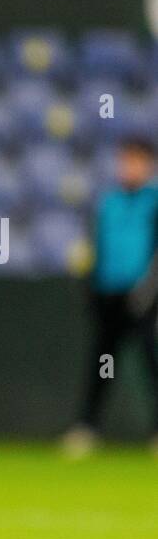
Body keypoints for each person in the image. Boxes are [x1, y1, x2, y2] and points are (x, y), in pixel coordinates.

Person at [63, 136, 158, 456]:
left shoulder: (154, 202)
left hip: (144, 301)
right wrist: (93, 289)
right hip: (109, 299)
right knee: (102, 366)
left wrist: (148, 291)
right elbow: (95, 248)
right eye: (125, 160)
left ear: (149, 164)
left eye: (136, 160)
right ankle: (87, 428)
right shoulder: (109, 202)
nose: (129, 167)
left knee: (151, 366)